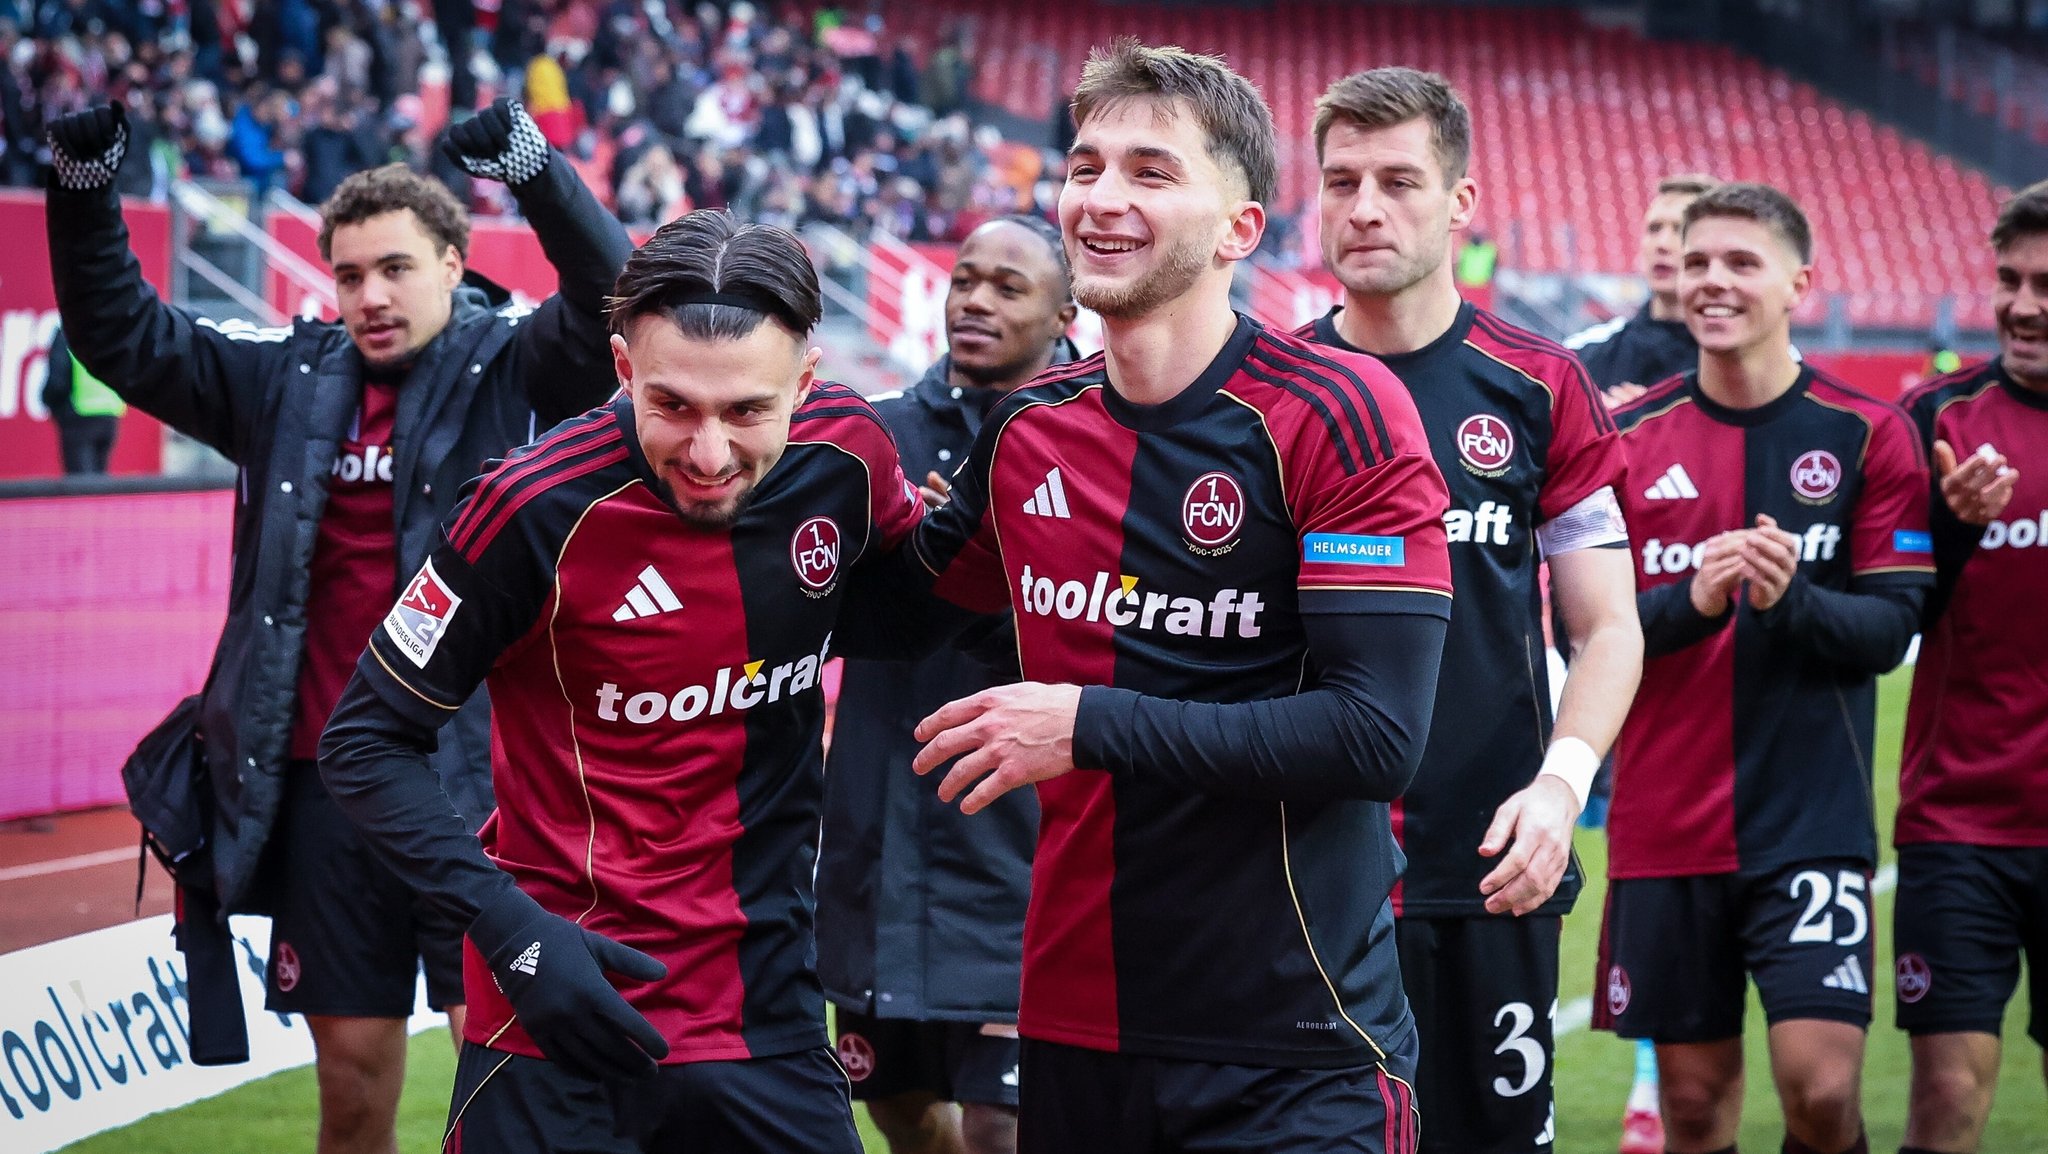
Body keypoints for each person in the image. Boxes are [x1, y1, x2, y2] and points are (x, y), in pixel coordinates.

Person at [43, 98, 631, 1154]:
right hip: (327, 788)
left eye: (396, 268)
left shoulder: (516, 365)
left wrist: (534, 169)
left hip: (482, 787)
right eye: (350, 273)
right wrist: (87, 195)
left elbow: (613, 295)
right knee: (353, 1090)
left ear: (456, 263)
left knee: (507, 1077)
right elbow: (122, 335)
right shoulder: (280, 376)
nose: (370, 295)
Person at [901, 38, 1454, 1153]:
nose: (1101, 197)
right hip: (1075, 1032)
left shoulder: (1335, 412)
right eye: (1084, 165)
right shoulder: (1025, 428)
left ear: (1238, 231)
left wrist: (1085, 723)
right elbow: (897, 600)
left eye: (1150, 172)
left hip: (1293, 1042)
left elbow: (1374, 733)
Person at [318, 210, 928, 1154]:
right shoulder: (524, 507)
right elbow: (361, 743)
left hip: (766, 1020)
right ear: (621, 370)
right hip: (552, 1022)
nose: (710, 453)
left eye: (748, 412)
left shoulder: (850, 453)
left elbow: (922, 595)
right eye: (673, 405)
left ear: (805, 383)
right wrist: (514, 934)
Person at [1299, 68, 1643, 1154]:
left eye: (1397, 180)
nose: (1362, 206)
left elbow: (1606, 624)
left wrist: (1558, 786)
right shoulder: (1268, 390)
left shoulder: (1537, 384)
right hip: (1307, 878)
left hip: (1493, 863)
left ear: (1459, 201)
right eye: (1339, 179)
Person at [1596, 183, 1935, 1154]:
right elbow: (1588, 629)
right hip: (1664, 827)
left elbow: (1888, 627)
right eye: (1698, 261)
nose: (1712, 280)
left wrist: (1790, 598)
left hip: (1808, 823)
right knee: (1693, 1108)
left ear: (1797, 282)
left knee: (1820, 1091)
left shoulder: (1865, 432)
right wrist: (1693, 601)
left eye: (1739, 262)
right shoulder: (1625, 439)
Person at [817, 213, 1075, 1154]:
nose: (974, 299)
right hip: (879, 840)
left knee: (1007, 1124)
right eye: (965, 278)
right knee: (898, 1108)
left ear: (1066, 310)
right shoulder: (873, 435)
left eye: (1008, 286)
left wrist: (976, 569)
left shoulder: (1084, 440)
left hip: (1020, 846)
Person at [1891, 178, 2046, 1154]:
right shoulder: (1933, 420)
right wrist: (1950, 528)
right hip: (1959, 822)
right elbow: (1884, 616)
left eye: (2045, 283)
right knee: (1946, 1097)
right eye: (2007, 278)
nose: (2022, 303)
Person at [1566, 175, 1720, 406]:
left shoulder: (1755, 366)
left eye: (1681, 230)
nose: (1662, 244)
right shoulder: (1580, 355)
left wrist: (1650, 427)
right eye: (1654, 229)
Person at [40, 325, 125, 474]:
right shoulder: (112, 330)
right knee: (100, 482)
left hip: (79, 415)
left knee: (80, 485)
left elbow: (56, 383)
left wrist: (53, 405)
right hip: (109, 413)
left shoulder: (69, 333)